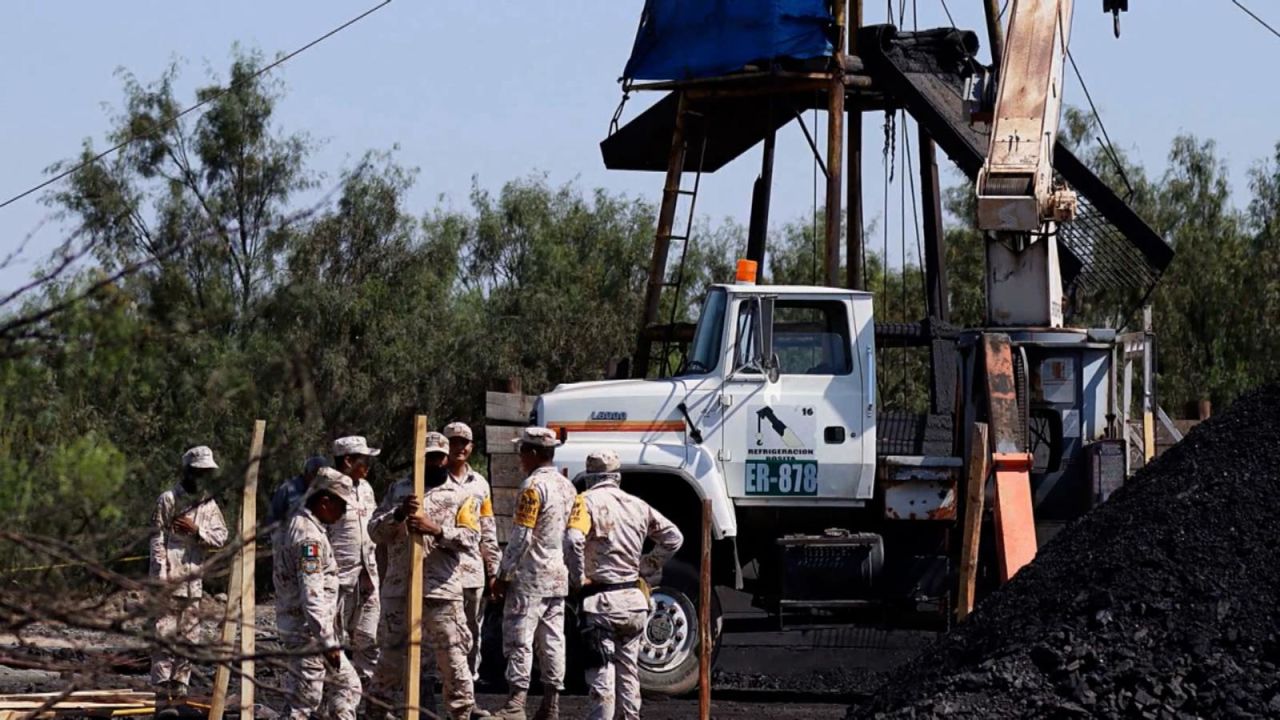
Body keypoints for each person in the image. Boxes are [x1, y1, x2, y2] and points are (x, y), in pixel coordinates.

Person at [368, 431, 485, 720]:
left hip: (440, 590)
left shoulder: (461, 496)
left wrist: (437, 530)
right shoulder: (399, 490)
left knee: (453, 661)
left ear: (446, 459)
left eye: (437, 457)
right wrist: (396, 515)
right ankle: (374, 712)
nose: (432, 462)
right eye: (427, 456)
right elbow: (374, 532)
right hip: (400, 588)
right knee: (389, 661)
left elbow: (471, 539)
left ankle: (460, 714)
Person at [565, 450, 683, 720]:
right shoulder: (638, 505)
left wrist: (577, 577)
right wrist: (647, 565)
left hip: (601, 603)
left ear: (589, 478)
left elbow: (573, 539)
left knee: (602, 671)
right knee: (629, 670)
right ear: (617, 478)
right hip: (634, 601)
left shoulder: (585, 502)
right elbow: (673, 537)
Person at [491, 427, 577, 720]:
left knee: (519, 639)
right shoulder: (568, 487)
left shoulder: (532, 487)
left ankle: (516, 704)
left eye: (522, 451)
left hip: (530, 576)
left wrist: (503, 574)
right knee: (553, 641)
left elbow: (522, 536)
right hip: (557, 575)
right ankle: (551, 704)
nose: (519, 457)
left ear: (532, 453)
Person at [274, 467, 363, 720]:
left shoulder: (305, 526)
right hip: (309, 634)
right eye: (341, 506)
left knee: (346, 686)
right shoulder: (308, 537)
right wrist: (328, 642)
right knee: (304, 704)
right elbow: (311, 594)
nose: (344, 513)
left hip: (312, 631)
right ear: (325, 502)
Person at [149, 445, 228, 707]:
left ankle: (180, 687)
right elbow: (157, 538)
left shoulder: (208, 504)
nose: (202, 477)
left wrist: (197, 531)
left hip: (194, 577)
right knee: (165, 633)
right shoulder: (169, 499)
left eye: (206, 473)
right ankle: (162, 689)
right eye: (198, 472)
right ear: (187, 471)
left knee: (190, 635)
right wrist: (160, 575)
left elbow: (221, 536)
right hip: (169, 576)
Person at [442, 421, 502, 682]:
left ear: (471, 447)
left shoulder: (480, 484)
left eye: (464, 442)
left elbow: (488, 530)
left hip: (472, 573)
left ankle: (469, 685)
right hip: (440, 572)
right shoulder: (431, 478)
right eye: (454, 442)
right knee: (441, 633)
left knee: (472, 632)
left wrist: (493, 572)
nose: (459, 447)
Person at [327, 436, 382, 691]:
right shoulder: (327, 490)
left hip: (367, 575)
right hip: (338, 577)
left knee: (368, 637)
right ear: (347, 460)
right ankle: (336, 697)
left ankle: (367, 696)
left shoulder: (366, 488)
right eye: (363, 459)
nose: (368, 465)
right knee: (333, 639)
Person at [267, 456, 331, 541]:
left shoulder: (326, 490)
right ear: (306, 473)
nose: (318, 479)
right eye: (315, 474)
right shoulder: (287, 489)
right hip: (290, 542)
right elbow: (273, 517)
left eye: (323, 476)